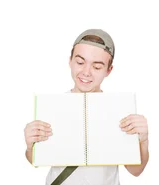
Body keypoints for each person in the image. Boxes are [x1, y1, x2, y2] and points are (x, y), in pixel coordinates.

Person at [23, 29, 150, 185]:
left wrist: (143, 141)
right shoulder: (54, 107)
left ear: (108, 71)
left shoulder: (117, 110)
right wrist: (30, 146)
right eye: (80, 62)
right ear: (70, 61)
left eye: (97, 67)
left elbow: (136, 171)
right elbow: (36, 160)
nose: (86, 72)